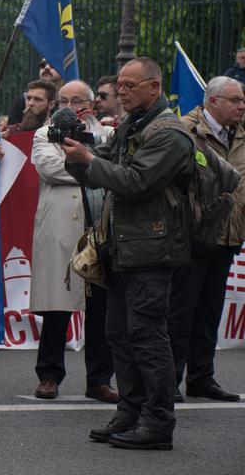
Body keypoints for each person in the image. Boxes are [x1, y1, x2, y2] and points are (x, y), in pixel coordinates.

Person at [62, 57, 194, 450]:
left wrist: (88, 162)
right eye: (119, 84)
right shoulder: (132, 126)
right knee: (119, 333)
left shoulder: (169, 133)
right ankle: (130, 412)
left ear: (154, 87)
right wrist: (77, 159)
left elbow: (136, 182)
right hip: (124, 247)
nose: (121, 90)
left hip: (154, 250)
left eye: (130, 85)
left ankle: (158, 422)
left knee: (148, 337)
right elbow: (104, 169)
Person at [29, 80, 117, 403]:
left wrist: (89, 161)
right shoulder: (44, 133)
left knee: (101, 308)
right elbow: (50, 167)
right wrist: (92, 164)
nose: (69, 105)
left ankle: (99, 379)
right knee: (58, 305)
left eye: (76, 99)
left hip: (98, 226)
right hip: (59, 226)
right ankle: (49, 375)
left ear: (91, 105)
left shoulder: (107, 134)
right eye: (63, 99)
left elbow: (114, 168)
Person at [168, 76, 245, 403]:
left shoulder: (241, 134)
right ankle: (169, 379)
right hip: (194, 233)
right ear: (213, 102)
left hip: (229, 233)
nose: (241, 106)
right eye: (235, 100)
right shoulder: (186, 129)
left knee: (210, 310)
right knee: (181, 310)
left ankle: (202, 377)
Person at [7, 59, 62, 125]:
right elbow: (12, 132)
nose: (46, 67)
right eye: (42, 64)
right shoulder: (22, 101)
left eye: (53, 64)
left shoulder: (69, 103)